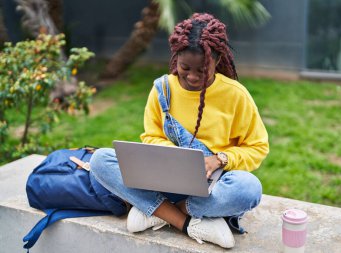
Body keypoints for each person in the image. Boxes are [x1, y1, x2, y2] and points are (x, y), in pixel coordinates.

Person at [89, 13, 269, 249]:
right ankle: (186, 222)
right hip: (164, 178)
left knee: (249, 189)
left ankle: (159, 211)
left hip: (212, 187)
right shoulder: (162, 89)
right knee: (100, 160)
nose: (193, 77)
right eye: (185, 67)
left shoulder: (235, 95)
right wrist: (176, 159)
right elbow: (151, 136)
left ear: (217, 60)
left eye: (202, 70)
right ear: (176, 58)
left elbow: (257, 147)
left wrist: (219, 159)